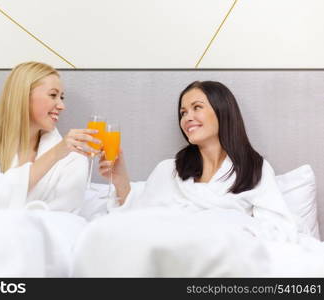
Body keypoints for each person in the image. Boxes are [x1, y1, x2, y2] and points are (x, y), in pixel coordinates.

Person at [98, 80, 298, 241]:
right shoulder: (169, 169)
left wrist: (232, 230)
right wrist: (120, 179)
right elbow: (139, 222)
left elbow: (279, 228)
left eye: (197, 108)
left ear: (222, 111)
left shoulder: (254, 168)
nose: (187, 118)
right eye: (183, 112)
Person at [0, 61, 101, 217]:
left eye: (61, 97)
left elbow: (66, 217)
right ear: (23, 96)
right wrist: (54, 154)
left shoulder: (71, 158)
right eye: (53, 95)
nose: (61, 105)